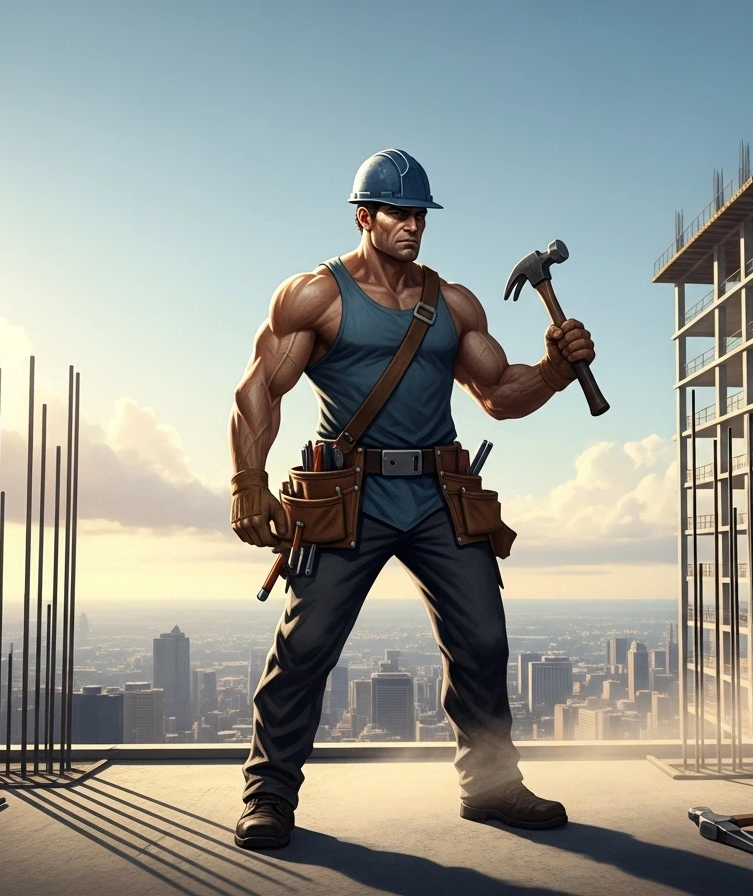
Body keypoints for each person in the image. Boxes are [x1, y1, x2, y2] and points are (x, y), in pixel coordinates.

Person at [228, 149, 594, 850]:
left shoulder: (452, 304)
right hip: (348, 494)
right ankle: (269, 793)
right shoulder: (316, 296)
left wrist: (553, 370)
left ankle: (490, 786)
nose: (412, 226)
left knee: (484, 639)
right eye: (398, 213)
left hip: (437, 494)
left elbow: (497, 395)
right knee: (304, 646)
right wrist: (248, 482)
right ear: (364, 217)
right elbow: (257, 393)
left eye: (420, 215)